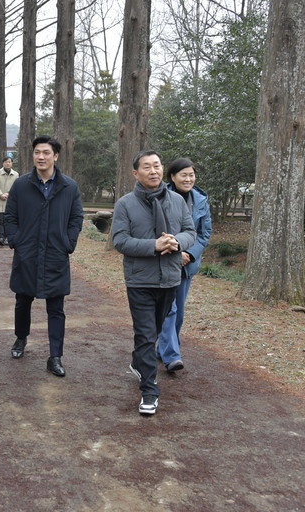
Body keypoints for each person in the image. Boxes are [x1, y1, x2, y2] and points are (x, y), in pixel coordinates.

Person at [111, 150, 196, 415]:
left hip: (170, 278)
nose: (153, 171)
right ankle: (149, 390)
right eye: (146, 167)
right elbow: (120, 240)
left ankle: (139, 362)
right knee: (146, 335)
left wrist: (177, 241)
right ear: (135, 173)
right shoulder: (125, 204)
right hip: (140, 280)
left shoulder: (177, 201)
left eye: (157, 166)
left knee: (155, 332)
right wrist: (154, 245)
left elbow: (190, 231)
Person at [4, 135, 83, 377]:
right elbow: (10, 216)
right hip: (27, 253)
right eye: (37, 152)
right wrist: (16, 240)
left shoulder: (69, 187)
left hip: (56, 254)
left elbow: (76, 218)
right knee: (22, 300)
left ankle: (55, 356)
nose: (41, 157)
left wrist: (68, 242)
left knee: (56, 308)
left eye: (46, 152)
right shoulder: (21, 185)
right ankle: (21, 338)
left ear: (55, 156)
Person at [157, 158, 212, 373]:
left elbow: (204, 233)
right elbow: (156, 228)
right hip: (165, 260)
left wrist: (189, 253)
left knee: (178, 312)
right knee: (169, 310)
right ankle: (172, 356)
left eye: (191, 175)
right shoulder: (161, 197)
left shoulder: (201, 200)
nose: (188, 179)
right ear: (172, 177)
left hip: (187, 265)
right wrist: (175, 250)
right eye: (183, 175)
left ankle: (163, 349)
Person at [0, 156, 19, 246]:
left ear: (12, 163)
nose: (8, 163)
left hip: (10, 200)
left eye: (9, 162)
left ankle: (7, 237)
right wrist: (0, 194)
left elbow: (17, 187)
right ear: (3, 163)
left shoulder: (15, 175)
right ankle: (1, 237)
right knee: (0, 219)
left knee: (8, 219)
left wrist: (8, 194)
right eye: (6, 162)